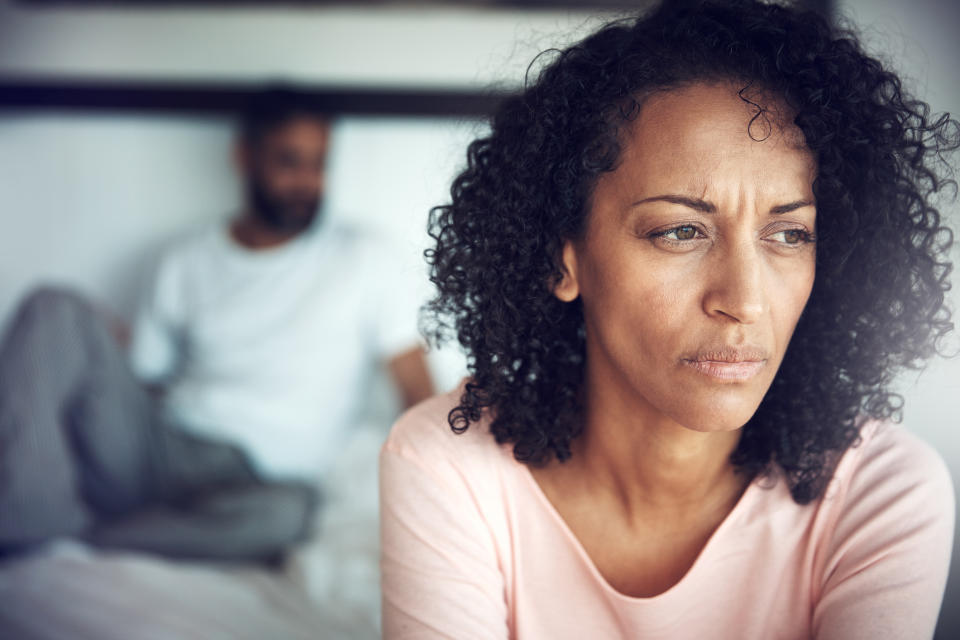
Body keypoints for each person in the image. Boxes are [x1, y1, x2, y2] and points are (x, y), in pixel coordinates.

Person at [378, 1, 958, 639]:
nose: (746, 299)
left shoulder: (881, 491)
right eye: (681, 231)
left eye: (790, 234)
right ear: (562, 256)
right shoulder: (448, 464)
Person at [0, 88, 433, 563]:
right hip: (159, 450)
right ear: (244, 156)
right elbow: (146, 379)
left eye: (319, 163)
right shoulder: (184, 259)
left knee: (288, 516)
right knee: (54, 307)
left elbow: (415, 385)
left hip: (260, 481)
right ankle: (30, 526)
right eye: (289, 161)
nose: (306, 181)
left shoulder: (366, 259)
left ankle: (78, 541)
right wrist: (99, 342)